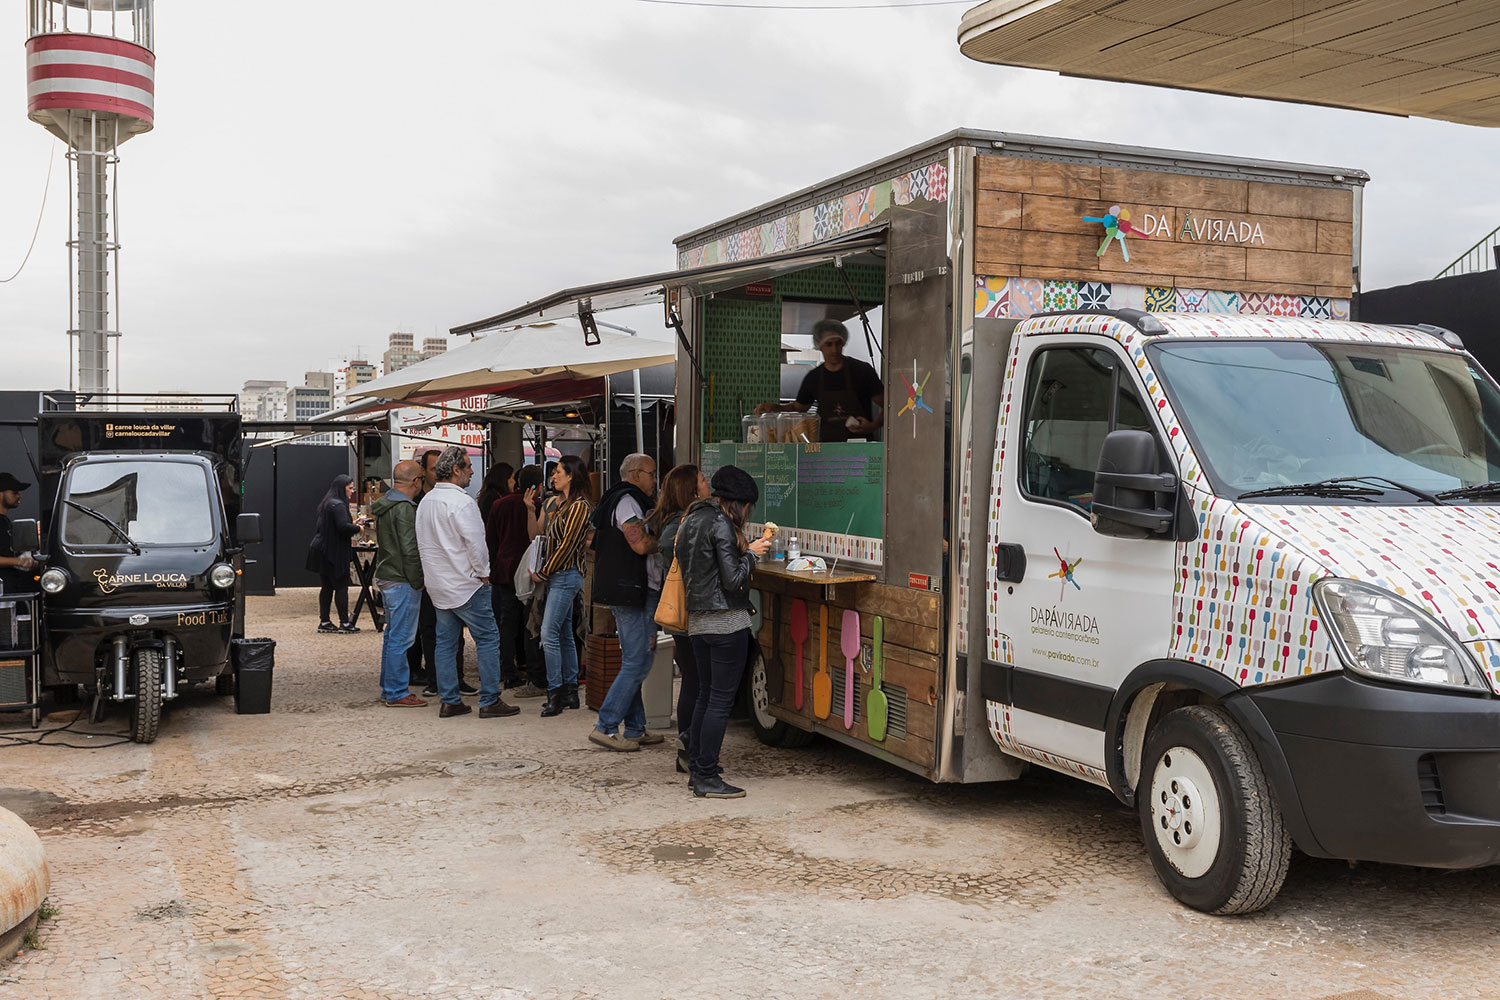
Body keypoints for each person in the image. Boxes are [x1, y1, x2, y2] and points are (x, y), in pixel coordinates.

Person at [677, 465, 772, 798]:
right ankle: (705, 776)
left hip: (699, 622)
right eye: (748, 507)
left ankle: (699, 767)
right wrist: (752, 554)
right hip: (727, 622)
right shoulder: (721, 524)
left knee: (705, 695)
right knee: (719, 702)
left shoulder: (691, 518)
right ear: (739, 503)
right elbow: (732, 579)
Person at [413, 446, 519, 720]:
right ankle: (489, 700)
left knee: (445, 642)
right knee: (487, 638)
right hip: (466, 583)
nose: (473, 471)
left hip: (438, 584)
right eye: (469, 466)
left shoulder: (426, 501)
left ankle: (449, 700)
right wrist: (484, 573)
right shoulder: (462, 502)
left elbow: (423, 544)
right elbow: (476, 544)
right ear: (456, 470)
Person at [588, 453, 663, 751]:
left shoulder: (614, 498)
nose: (655, 480)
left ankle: (635, 727)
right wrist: (668, 541)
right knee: (637, 661)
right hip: (630, 590)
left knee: (637, 658)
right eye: (651, 473)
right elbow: (640, 543)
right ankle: (605, 726)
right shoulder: (627, 501)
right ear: (635, 474)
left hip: (628, 589)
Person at [649, 463, 711, 773]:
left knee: (695, 681)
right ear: (692, 489)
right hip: (686, 610)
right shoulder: (680, 522)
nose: (707, 481)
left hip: (690, 610)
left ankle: (690, 751)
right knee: (694, 681)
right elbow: (666, 550)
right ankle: (688, 751)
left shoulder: (684, 519)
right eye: (702, 479)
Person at [755, 318, 884, 443]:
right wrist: (775, 407)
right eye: (829, 344)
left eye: (838, 343)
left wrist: (872, 426)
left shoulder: (862, 371)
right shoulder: (814, 377)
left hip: (861, 448)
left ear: (843, 343)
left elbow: (888, 405)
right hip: (826, 450)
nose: (834, 349)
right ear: (819, 346)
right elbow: (799, 407)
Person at [408, 448, 472, 697]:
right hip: (429, 578)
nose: (438, 473)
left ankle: (455, 679)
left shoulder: (450, 499)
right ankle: (435, 680)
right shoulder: (418, 502)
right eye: (433, 469)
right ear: (423, 471)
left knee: (452, 635)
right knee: (430, 630)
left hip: (452, 578)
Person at [535, 455, 593, 718]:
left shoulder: (579, 506)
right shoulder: (564, 504)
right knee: (563, 634)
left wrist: (544, 572)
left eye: (558, 471)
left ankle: (555, 692)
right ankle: (569, 691)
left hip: (565, 575)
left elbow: (568, 545)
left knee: (549, 634)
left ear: (571, 476)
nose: (554, 476)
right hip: (563, 574)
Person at [371, 460, 427, 708]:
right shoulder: (404, 508)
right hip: (402, 579)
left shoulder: (385, 505)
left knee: (393, 636)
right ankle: (396, 692)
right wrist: (419, 581)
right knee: (402, 638)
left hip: (388, 575)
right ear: (416, 481)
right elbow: (410, 549)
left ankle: (390, 688)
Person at [487, 463, 545, 696]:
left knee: (506, 625)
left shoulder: (498, 505)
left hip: (504, 570)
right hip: (529, 573)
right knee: (530, 625)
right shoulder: (539, 506)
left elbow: (490, 540)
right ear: (538, 486)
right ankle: (533, 673)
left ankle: (508, 673)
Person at [306, 473, 366, 633]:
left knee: (326, 587)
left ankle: (324, 621)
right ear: (342, 488)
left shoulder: (327, 503)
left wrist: (350, 523)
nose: (352, 492)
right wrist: (358, 528)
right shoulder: (339, 505)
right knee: (341, 587)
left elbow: (331, 526)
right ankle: (344, 623)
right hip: (334, 552)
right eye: (350, 488)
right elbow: (342, 527)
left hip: (321, 550)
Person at [0, 472, 37, 596]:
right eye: (14, 492)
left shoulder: (5, 522)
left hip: (13, 589)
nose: (19, 496)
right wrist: (18, 561)